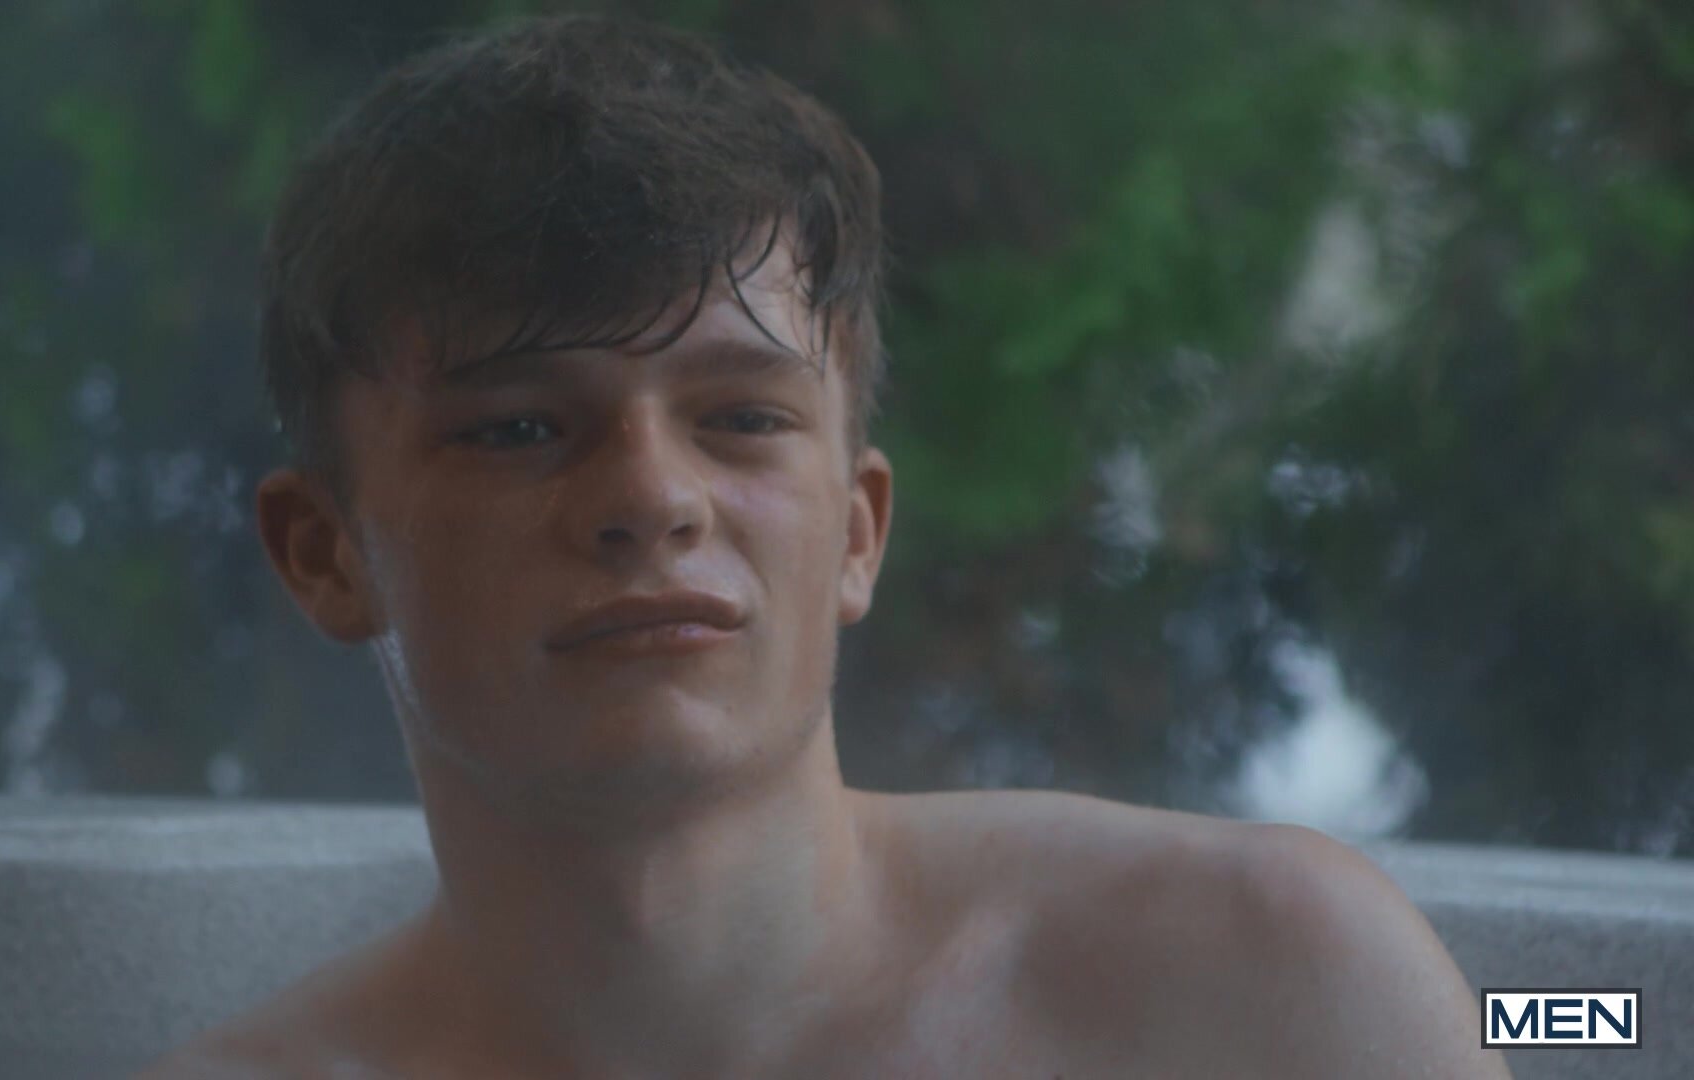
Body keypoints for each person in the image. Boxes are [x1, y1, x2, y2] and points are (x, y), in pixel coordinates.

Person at [140, 14, 1511, 1078]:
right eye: (518, 428)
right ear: (322, 553)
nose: (653, 499)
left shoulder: (1270, 985)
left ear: (858, 532)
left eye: (741, 417)